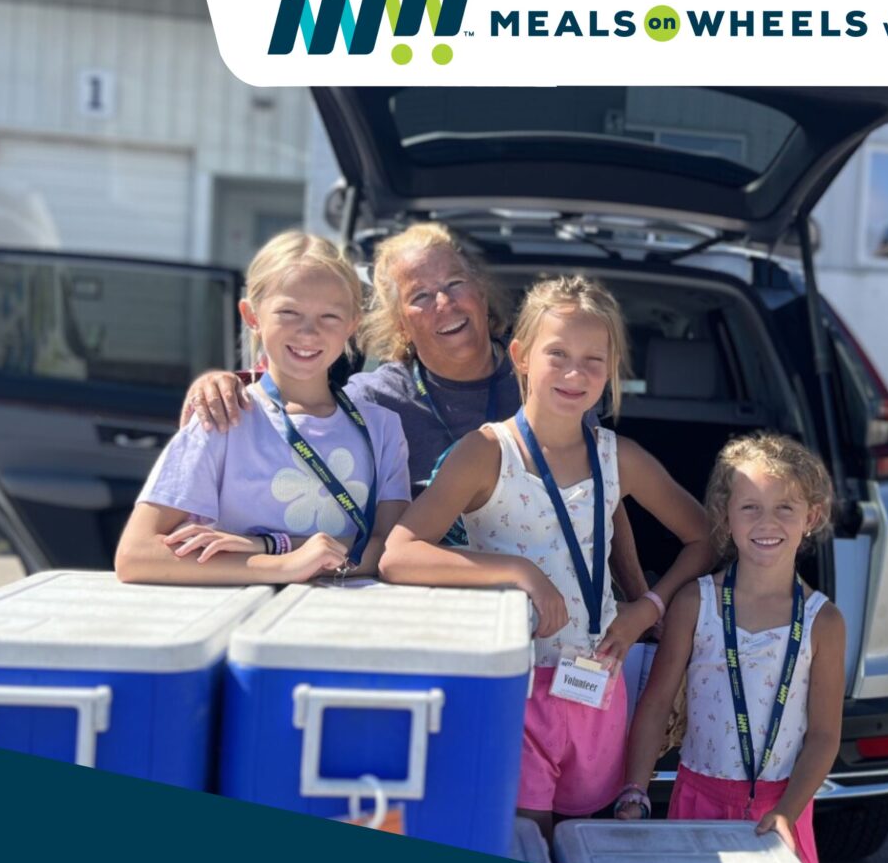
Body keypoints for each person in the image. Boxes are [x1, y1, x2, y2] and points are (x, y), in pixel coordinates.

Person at [379, 275, 714, 839]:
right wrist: (519, 571)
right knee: (523, 840)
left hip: (596, 685)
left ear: (611, 370)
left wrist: (648, 607)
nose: (575, 373)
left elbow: (704, 538)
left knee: (583, 840)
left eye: (593, 359)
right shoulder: (486, 452)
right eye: (557, 354)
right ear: (521, 356)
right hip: (511, 686)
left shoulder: (619, 457)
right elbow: (397, 555)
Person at [178, 222, 653, 605]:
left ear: (482, 294)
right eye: (420, 296)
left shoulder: (550, 377)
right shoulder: (376, 401)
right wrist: (228, 383)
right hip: (425, 605)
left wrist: (638, 600)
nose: (444, 302)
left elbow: (604, 502)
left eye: (454, 284)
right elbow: (301, 394)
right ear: (399, 321)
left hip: (562, 608)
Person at [115, 231, 410, 584]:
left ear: (352, 325)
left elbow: (394, 551)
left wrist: (268, 546)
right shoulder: (222, 416)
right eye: (288, 312)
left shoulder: (383, 429)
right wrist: (285, 566)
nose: (308, 332)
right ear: (252, 315)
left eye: (329, 316)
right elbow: (136, 555)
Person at [617, 434, 847, 863]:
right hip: (696, 801)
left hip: (782, 812)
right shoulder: (694, 603)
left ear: (811, 516)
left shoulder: (825, 622)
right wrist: (634, 790)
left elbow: (823, 736)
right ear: (725, 516)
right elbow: (657, 702)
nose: (767, 522)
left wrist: (786, 812)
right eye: (750, 507)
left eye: (785, 507)